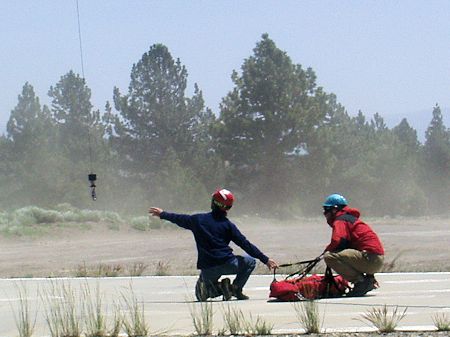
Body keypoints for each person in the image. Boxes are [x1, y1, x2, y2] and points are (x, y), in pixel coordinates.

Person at [149, 188, 278, 301]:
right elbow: (245, 244)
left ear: (213, 203)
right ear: (228, 208)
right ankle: (235, 289)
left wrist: (162, 214)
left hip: (208, 268)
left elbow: (179, 218)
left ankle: (222, 288)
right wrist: (265, 259)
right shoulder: (228, 225)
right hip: (229, 263)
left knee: (201, 295)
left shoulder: (197, 220)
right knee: (250, 262)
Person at [321, 193, 385, 297]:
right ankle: (367, 280)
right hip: (376, 260)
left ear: (334, 209)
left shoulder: (341, 220)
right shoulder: (349, 219)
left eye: (326, 209)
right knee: (339, 253)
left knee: (330, 256)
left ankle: (361, 282)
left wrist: (325, 251)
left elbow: (337, 240)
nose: (325, 213)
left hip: (370, 259)